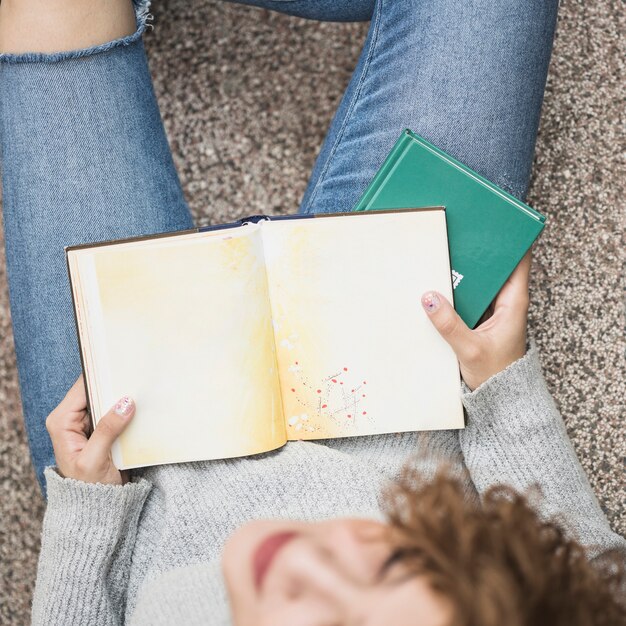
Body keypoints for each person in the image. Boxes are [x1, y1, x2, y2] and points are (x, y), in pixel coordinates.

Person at [0, 0, 623, 624]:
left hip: (130, 455)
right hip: (396, 375)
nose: (302, 553)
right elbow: (589, 577)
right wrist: (504, 388)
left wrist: (86, 512)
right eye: (393, 566)